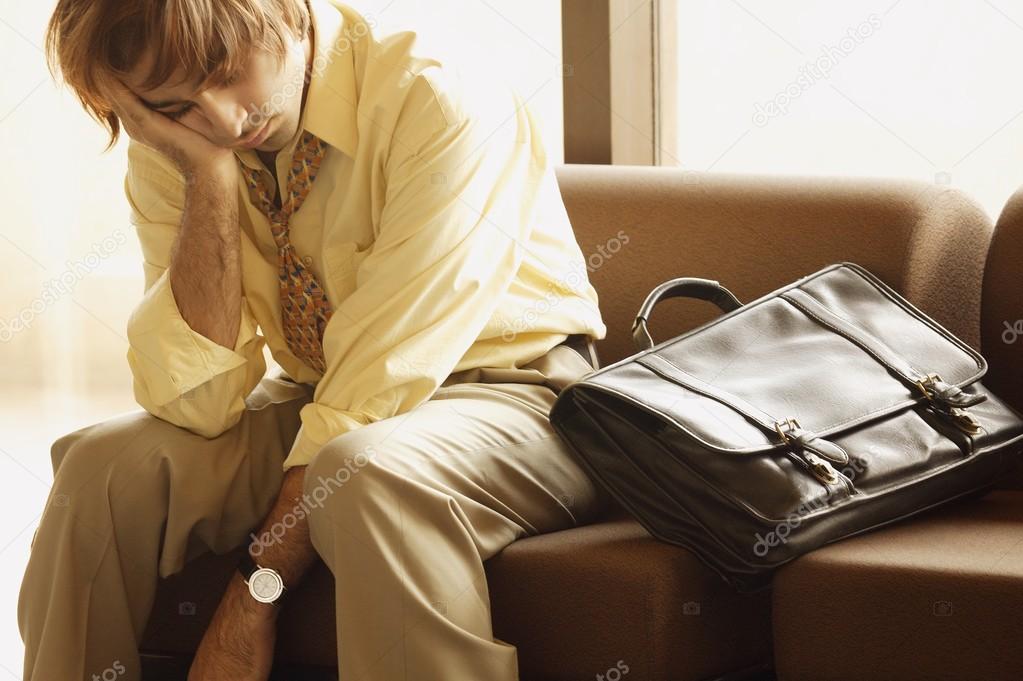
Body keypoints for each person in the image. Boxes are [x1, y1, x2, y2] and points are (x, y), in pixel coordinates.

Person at [19, 0, 611, 679]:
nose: (221, 119)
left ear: (283, 14)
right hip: (320, 394)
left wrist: (250, 596)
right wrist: (207, 178)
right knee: (102, 466)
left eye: (227, 72)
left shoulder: (436, 93)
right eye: (175, 104)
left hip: (519, 396)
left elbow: (376, 384)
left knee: (364, 472)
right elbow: (199, 401)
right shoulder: (183, 146)